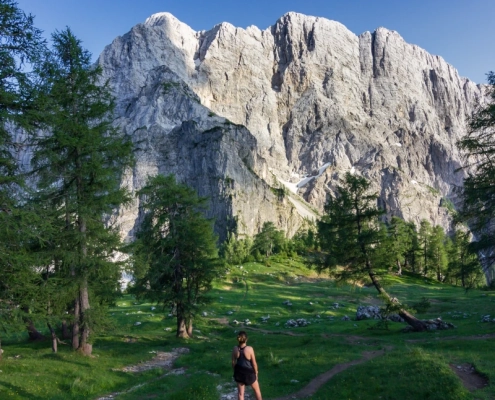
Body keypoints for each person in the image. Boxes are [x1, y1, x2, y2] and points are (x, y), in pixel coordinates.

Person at [232, 331, 262, 400]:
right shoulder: (249, 349)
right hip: (249, 373)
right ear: (246, 339)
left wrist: (235, 371)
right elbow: (254, 363)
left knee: (240, 394)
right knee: (257, 391)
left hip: (239, 372)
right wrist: (256, 373)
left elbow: (233, 362)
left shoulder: (235, 349)